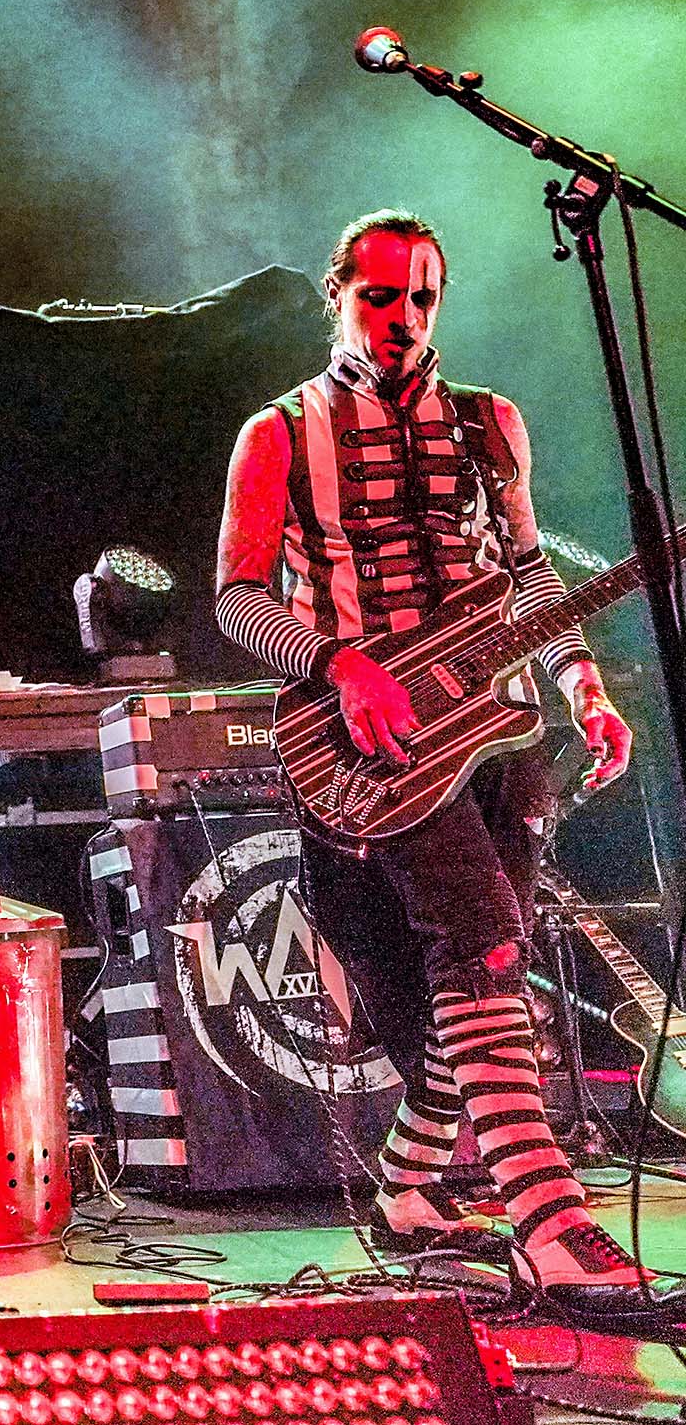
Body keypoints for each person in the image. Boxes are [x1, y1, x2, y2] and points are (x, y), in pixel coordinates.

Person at [213, 209, 674, 1331]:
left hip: (500, 731)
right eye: (379, 295)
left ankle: (409, 1191)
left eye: (420, 296)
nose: (402, 316)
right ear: (337, 294)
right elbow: (234, 597)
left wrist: (583, 686)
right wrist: (339, 666)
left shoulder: (490, 423)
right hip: (375, 741)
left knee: (478, 983)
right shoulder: (278, 433)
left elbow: (527, 576)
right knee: (486, 945)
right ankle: (550, 1222)